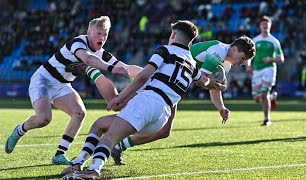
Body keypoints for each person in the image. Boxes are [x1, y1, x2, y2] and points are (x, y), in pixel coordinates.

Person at [61, 20, 220, 179]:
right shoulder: (193, 65)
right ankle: (77, 164)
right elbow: (204, 82)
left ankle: (94, 170)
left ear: (173, 34)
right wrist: (216, 84)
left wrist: (121, 97)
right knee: (100, 124)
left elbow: (143, 76)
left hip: (147, 103)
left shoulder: (165, 50)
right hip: (161, 117)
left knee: (109, 138)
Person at [65, 35, 256, 166]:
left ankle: (116, 147)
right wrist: (217, 86)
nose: (244, 62)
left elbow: (210, 86)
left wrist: (221, 107)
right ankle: (90, 68)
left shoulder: (226, 64)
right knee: (118, 99)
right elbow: (204, 82)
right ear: (234, 48)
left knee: (164, 132)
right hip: (165, 78)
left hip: (174, 86)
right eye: (244, 57)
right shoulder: (218, 52)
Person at [4, 16, 142, 165]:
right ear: (89, 32)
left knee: (79, 113)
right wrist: (112, 68)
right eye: (98, 33)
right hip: (43, 79)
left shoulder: (102, 53)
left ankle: (59, 155)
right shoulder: (78, 42)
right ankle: (19, 130)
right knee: (44, 119)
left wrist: (150, 73)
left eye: (105, 34)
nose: (102, 37)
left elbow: (126, 68)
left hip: (62, 84)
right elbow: (88, 59)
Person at [246, 15, 284, 126]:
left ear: (270, 26)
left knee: (263, 94)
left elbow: (281, 59)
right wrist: (248, 65)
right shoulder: (255, 40)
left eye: (267, 23)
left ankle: (267, 119)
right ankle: (272, 97)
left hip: (269, 69)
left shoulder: (274, 41)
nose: (265, 25)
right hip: (257, 70)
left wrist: (270, 59)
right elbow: (249, 56)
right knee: (256, 98)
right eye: (263, 24)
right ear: (260, 26)